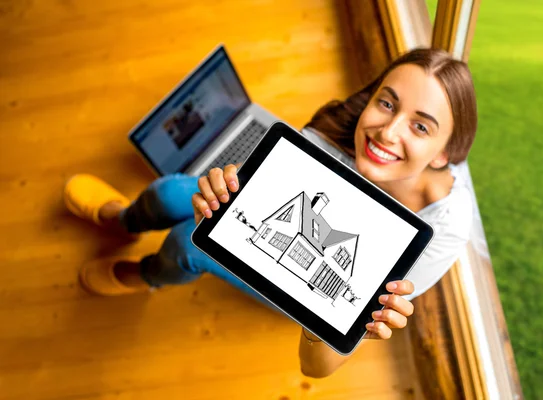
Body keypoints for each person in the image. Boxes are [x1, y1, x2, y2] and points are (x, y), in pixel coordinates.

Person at [64, 48, 477, 378]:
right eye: (387, 103)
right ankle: (124, 221)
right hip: (285, 229)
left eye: (421, 127)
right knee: (171, 191)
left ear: (445, 154)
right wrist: (232, 189)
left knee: (188, 244)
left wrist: (329, 318)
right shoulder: (336, 137)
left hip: (313, 292)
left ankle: (147, 275)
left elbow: (318, 367)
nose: (388, 132)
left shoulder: (440, 232)